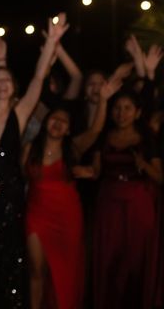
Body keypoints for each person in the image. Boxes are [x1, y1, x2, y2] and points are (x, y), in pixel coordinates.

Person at [0, 10, 68, 308]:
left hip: (11, 198)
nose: (3, 84)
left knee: (9, 259)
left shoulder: (19, 115)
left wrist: (51, 44)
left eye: (7, 81)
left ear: (13, 88)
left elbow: (38, 77)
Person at [22, 76, 117, 309]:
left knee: (67, 270)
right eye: (54, 118)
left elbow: (95, 130)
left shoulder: (73, 148)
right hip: (37, 214)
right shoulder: (28, 149)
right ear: (46, 122)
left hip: (67, 218)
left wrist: (103, 100)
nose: (58, 123)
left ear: (68, 130)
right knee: (37, 270)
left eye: (64, 122)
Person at [92, 90, 162, 309]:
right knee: (110, 258)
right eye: (117, 108)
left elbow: (160, 177)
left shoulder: (148, 139)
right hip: (110, 204)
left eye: (127, 108)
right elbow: (96, 171)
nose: (121, 113)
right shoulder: (104, 136)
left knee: (136, 259)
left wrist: (144, 165)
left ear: (137, 112)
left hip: (138, 204)